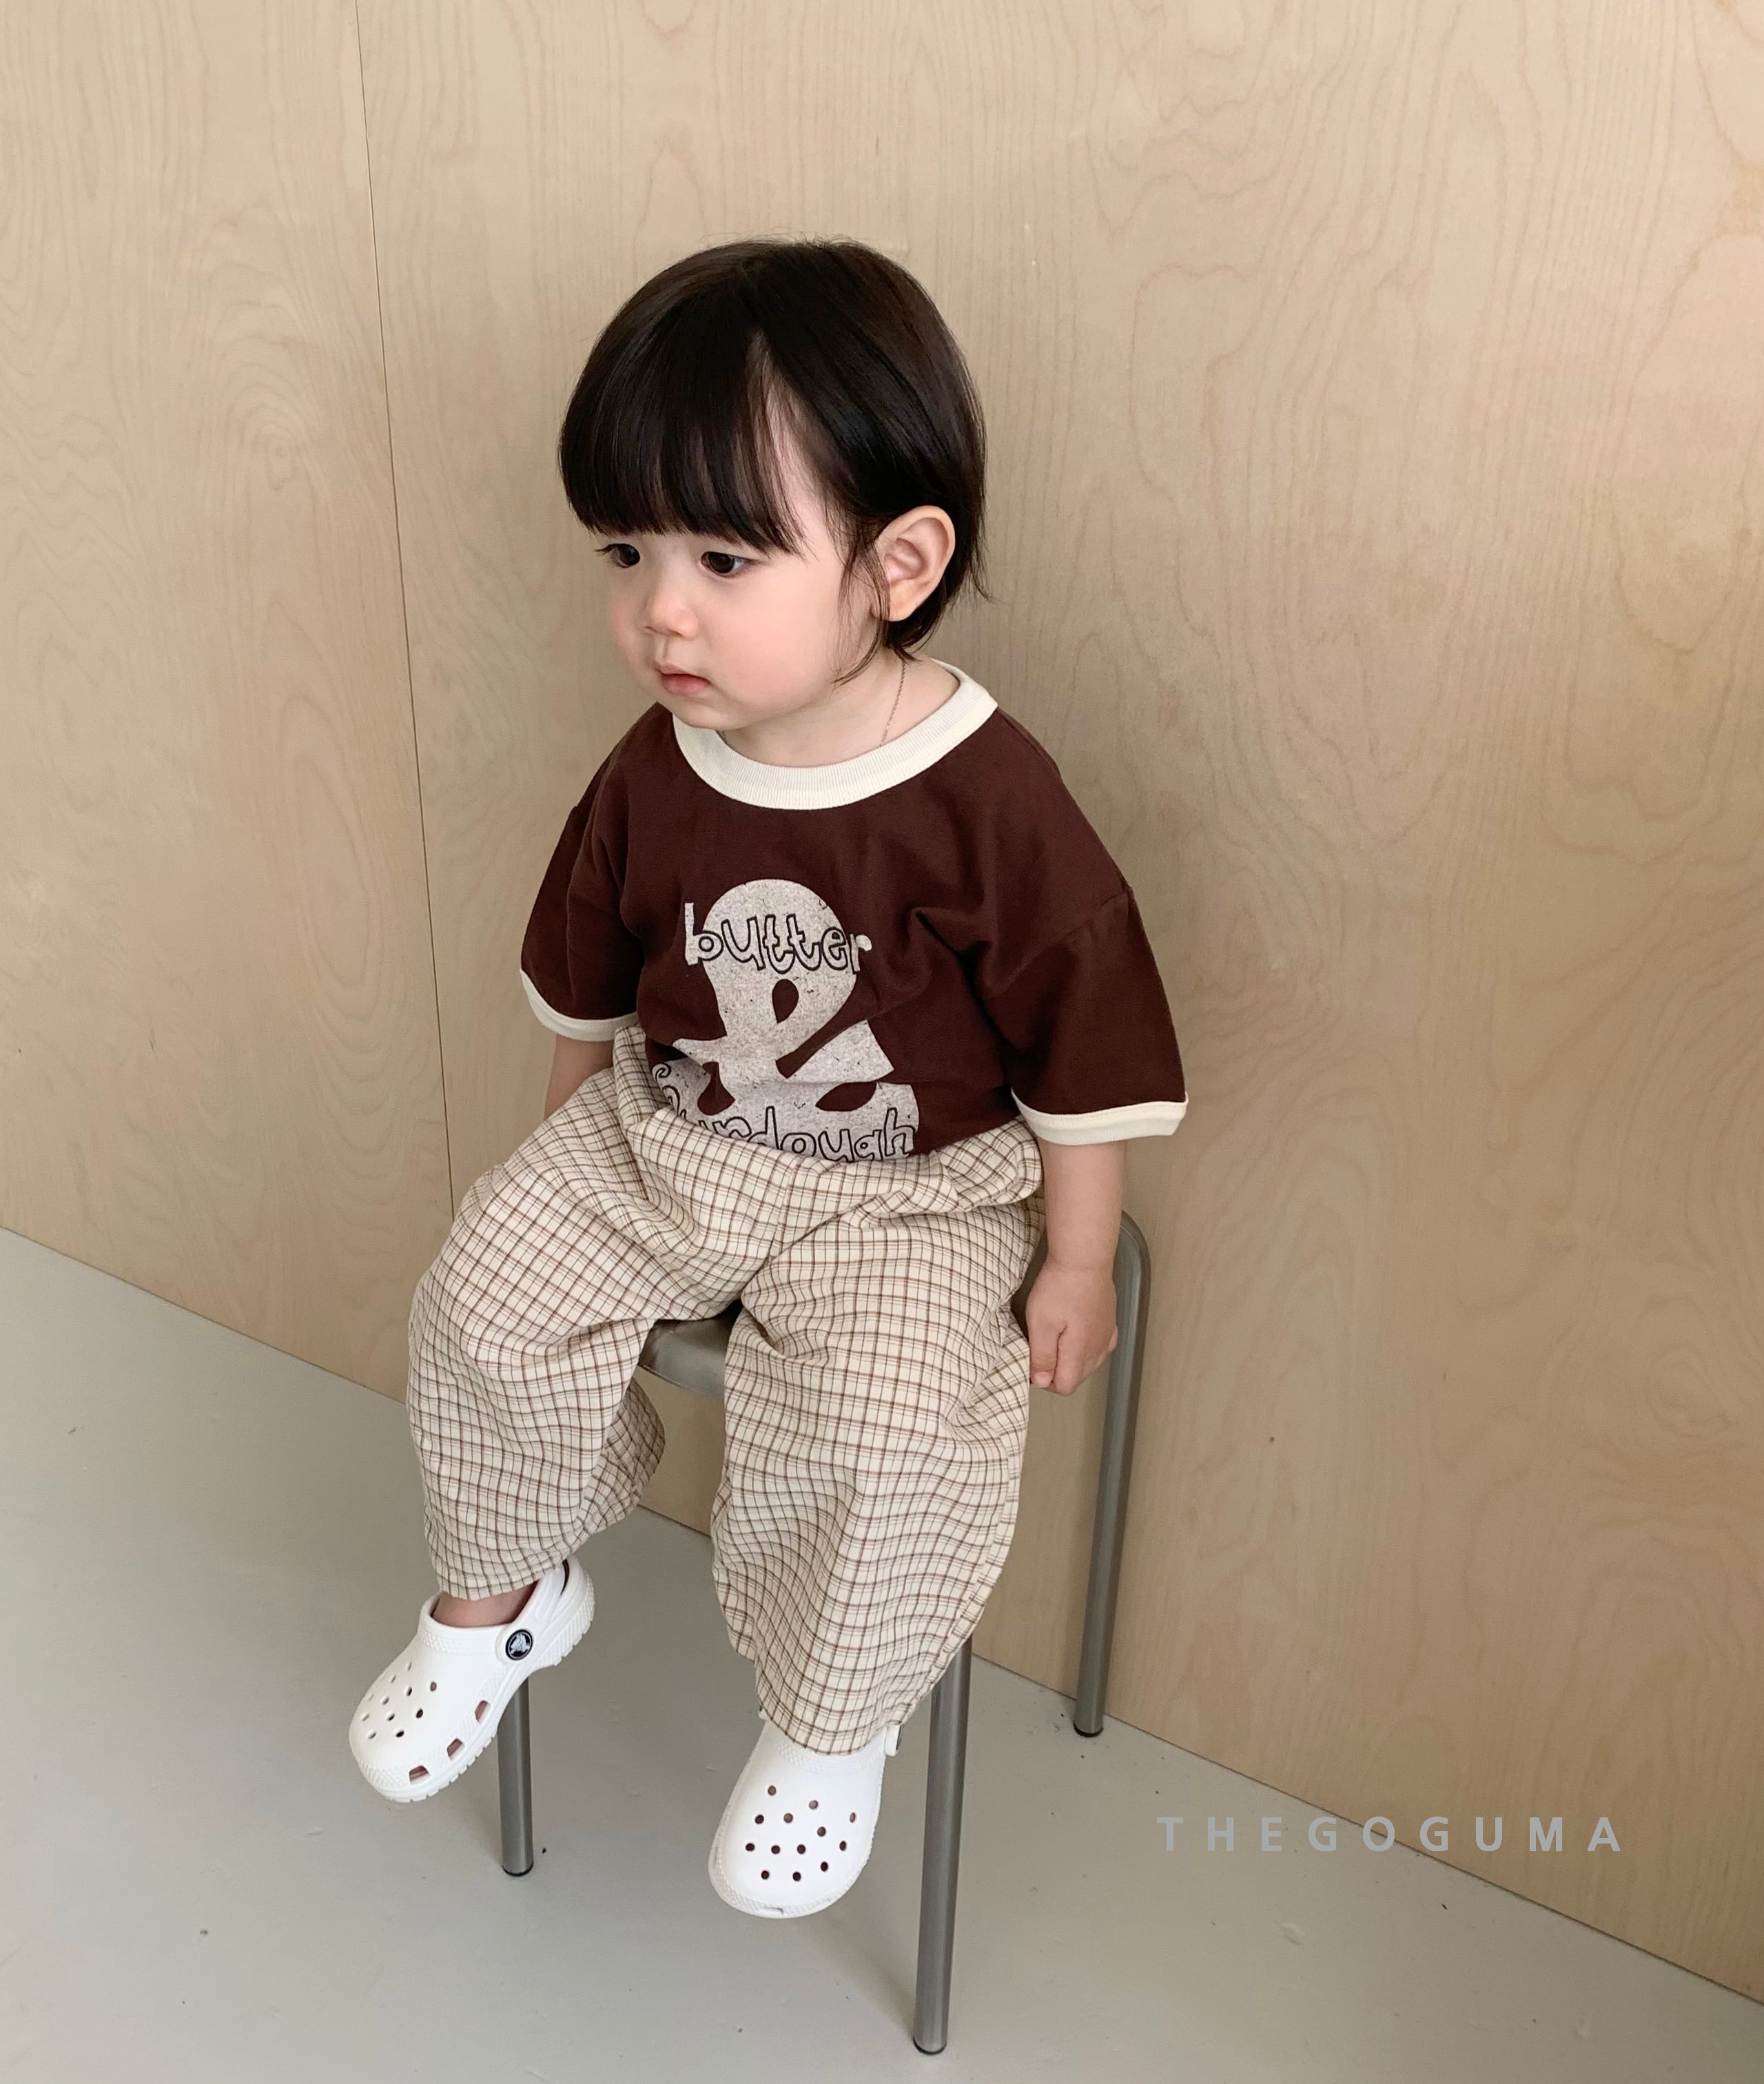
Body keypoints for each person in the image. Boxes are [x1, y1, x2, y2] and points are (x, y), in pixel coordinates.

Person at [349, 236, 1189, 1920]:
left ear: (898, 563)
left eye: (726, 557)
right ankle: (498, 1602)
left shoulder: (988, 798)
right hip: (672, 1135)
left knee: (885, 1433)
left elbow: (1084, 1039)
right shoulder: (659, 762)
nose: (661, 608)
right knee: (482, 1297)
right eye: (630, 550)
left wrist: (1081, 1255)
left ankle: (831, 1720)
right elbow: (589, 970)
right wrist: (562, 1147)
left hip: (912, 1196)